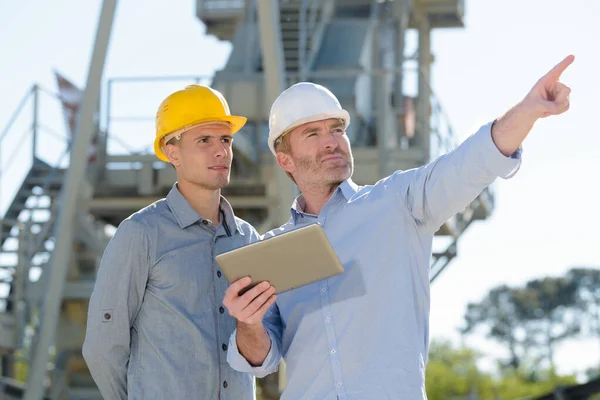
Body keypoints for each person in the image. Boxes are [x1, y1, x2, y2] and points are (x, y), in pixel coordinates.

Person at [222, 55, 574, 399]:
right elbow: (261, 360)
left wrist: (528, 111)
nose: (331, 140)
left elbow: (470, 162)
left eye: (337, 129)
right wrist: (247, 323)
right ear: (285, 160)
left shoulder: (398, 203)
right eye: (313, 133)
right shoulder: (273, 251)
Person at [83, 84, 261, 400]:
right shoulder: (141, 234)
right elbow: (102, 346)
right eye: (204, 140)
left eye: (225, 139)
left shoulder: (248, 240)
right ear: (171, 151)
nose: (221, 151)